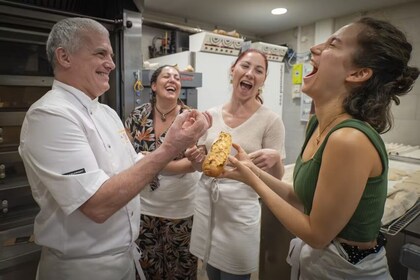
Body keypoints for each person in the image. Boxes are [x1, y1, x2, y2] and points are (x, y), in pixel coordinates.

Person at [222, 17, 419, 279]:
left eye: (332, 45)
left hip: (349, 269)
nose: (314, 49)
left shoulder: (349, 139)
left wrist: (253, 183)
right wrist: (252, 172)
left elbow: (317, 233)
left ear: (358, 73)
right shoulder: (317, 125)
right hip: (318, 264)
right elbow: (301, 199)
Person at [18, 17, 211, 280]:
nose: (111, 63)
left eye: (110, 54)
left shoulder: (106, 112)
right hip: (84, 269)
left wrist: (187, 152)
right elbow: (97, 205)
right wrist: (171, 146)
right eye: (100, 53)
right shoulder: (50, 115)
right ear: (64, 57)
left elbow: (135, 164)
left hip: (124, 259)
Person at [186, 48, 286, 280]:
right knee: (211, 273)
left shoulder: (270, 121)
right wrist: (196, 159)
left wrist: (274, 158)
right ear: (233, 71)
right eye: (245, 66)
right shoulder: (210, 115)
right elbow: (204, 168)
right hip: (207, 206)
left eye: (258, 70)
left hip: (240, 212)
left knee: (235, 274)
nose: (250, 73)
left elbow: (277, 179)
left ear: (263, 80)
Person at [125, 65, 199, 279]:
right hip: (144, 207)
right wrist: (154, 160)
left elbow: (192, 163)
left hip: (180, 209)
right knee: (147, 267)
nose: (173, 80)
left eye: (177, 78)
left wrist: (152, 161)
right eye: (167, 76)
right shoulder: (138, 115)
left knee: (181, 269)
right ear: (154, 85)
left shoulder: (191, 118)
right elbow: (127, 153)